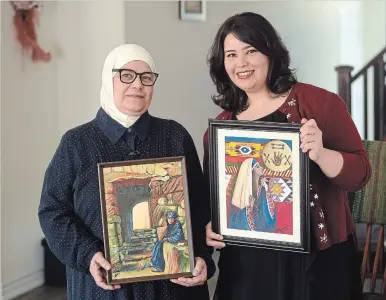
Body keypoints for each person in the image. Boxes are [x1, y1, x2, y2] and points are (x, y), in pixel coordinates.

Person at [203, 12, 371, 300]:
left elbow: (361, 174)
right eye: (231, 54)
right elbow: (218, 199)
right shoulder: (220, 130)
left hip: (316, 260)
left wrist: (321, 153)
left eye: (251, 50)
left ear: (271, 52)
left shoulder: (320, 104)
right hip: (248, 265)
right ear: (223, 64)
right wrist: (212, 226)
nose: (240, 63)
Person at [38, 44, 215, 300]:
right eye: (126, 75)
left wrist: (201, 259)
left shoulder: (175, 136)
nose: (138, 85)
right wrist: (87, 254)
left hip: (173, 290)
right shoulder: (76, 143)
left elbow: (199, 207)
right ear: (109, 80)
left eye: (146, 77)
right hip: (102, 289)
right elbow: (52, 211)